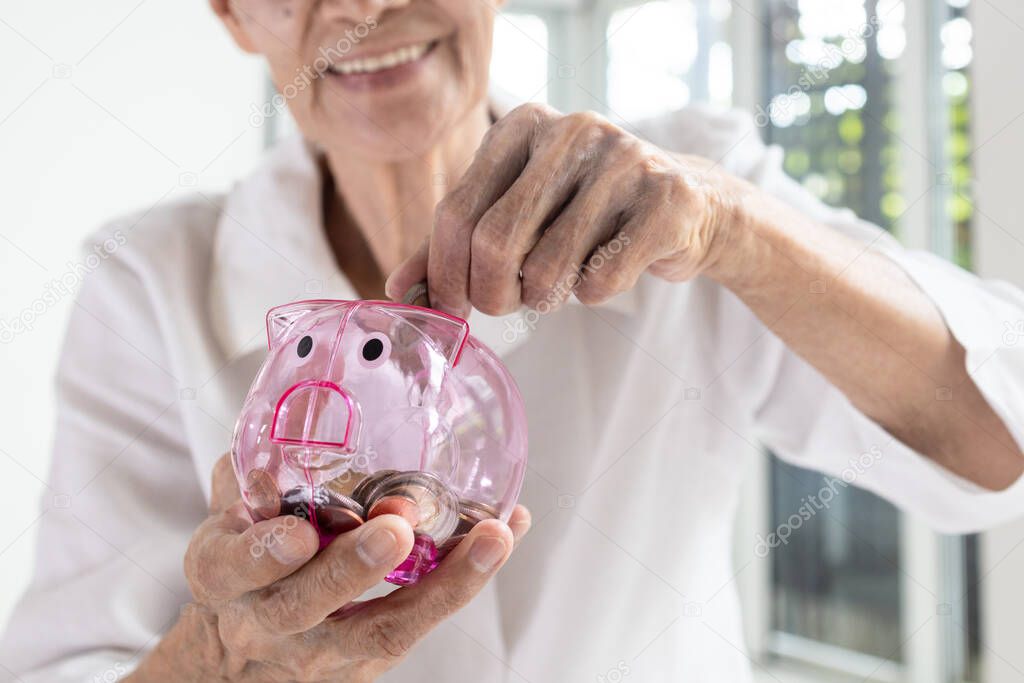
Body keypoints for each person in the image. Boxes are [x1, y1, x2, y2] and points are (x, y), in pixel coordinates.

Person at [3, 0, 1024, 681]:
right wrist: (223, 652)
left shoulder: (691, 180)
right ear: (229, 11)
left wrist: (734, 229)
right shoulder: (145, 279)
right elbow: (74, 657)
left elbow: (993, 446)